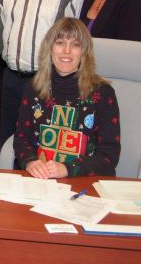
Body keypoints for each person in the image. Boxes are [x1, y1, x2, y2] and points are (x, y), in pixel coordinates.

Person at [0, 0, 83, 147]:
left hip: (46, 80)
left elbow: (74, 39)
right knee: (8, 137)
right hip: (10, 78)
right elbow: (6, 27)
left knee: (41, 141)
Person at [13, 18, 120, 178]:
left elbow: (109, 155)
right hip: (40, 181)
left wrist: (67, 169)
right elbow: (22, 137)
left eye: (75, 45)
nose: (67, 51)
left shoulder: (103, 93)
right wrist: (30, 161)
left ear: (84, 52)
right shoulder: (33, 87)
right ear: (50, 49)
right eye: (60, 43)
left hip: (84, 183)